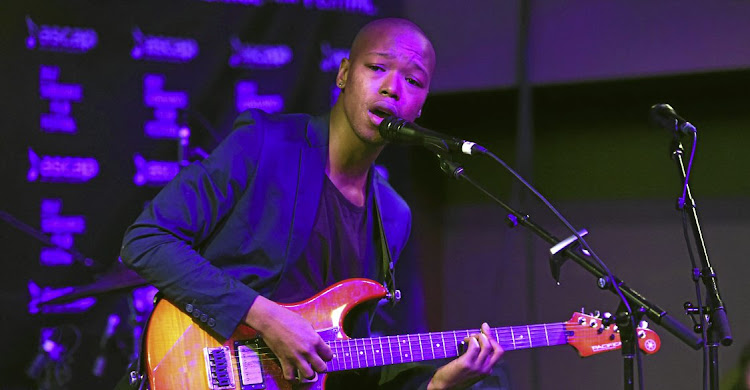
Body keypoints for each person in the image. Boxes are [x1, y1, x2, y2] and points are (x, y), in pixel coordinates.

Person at [120, 17, 503, 389]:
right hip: (195, 366)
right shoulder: (264, 143)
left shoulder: (393, 216)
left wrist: (435, 385)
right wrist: (266, 317)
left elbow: (350, 367)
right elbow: (146, 239)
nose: (392, 88)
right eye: (377, 67)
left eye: (413, 80)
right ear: (343, 74)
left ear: (420, 107)